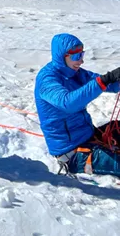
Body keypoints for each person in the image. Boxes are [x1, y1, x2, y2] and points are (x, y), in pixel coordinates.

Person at [35, 33, 120, 177]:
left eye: (82, 54)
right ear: (63, 56)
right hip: (72, 154)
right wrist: (104, 81)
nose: (81, 61)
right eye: (76, 56)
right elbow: (68, 103)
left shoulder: (76, 73)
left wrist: (114, 78)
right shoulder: (47, 80)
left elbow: (108, 85)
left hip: (89, 136)